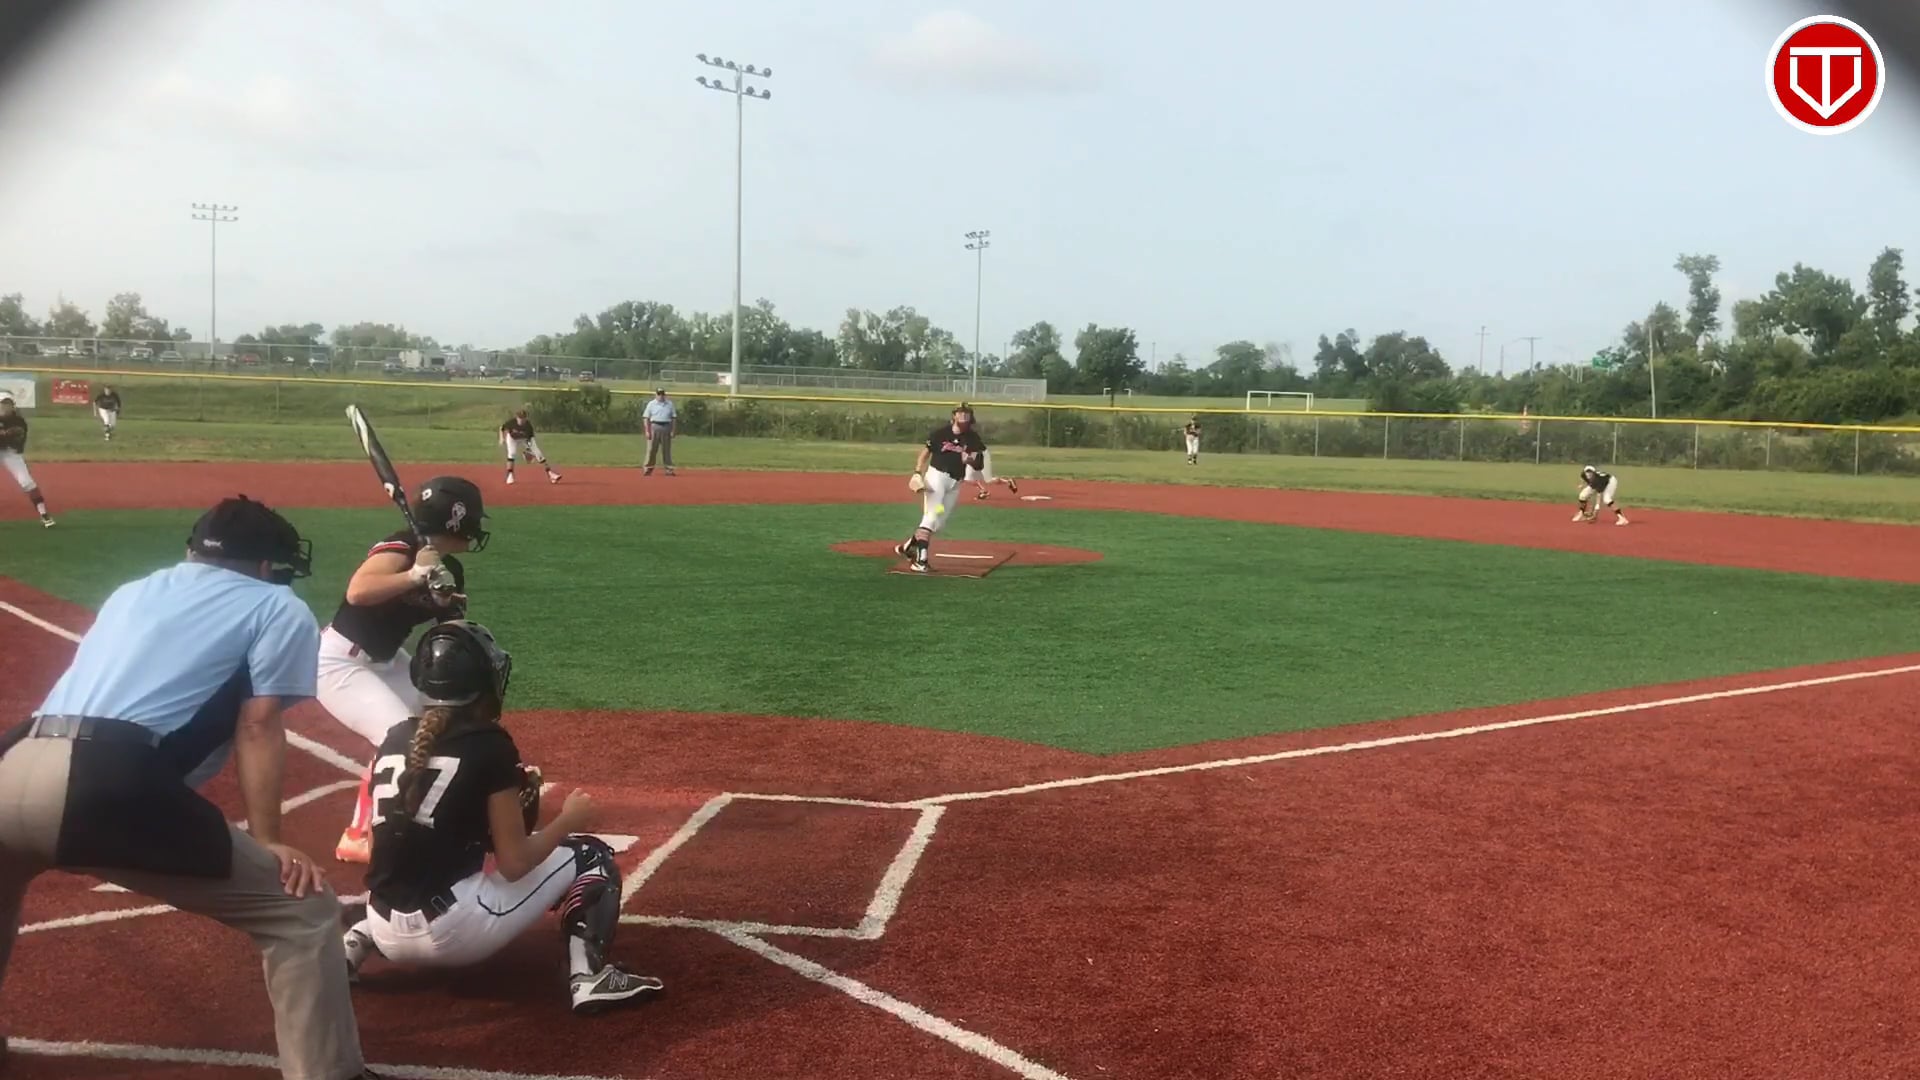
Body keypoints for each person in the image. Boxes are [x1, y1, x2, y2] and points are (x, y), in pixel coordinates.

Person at [0, 495, 381, 1079]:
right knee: (301, 912)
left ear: (192, 551)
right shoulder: (277, 604)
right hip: (105, 781)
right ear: (266, 565)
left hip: (14, 757)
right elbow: (258, 724)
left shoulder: (135, 590)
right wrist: (269, 840)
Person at [340, 619, 664, 1015]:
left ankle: (350, 948)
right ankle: (588, 977)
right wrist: (567, 819)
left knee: (402, 880)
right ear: (481, 682)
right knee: (590, 855)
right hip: (454, 933)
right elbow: (514, 864)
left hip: (385, 928)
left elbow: (379, 847)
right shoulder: (489, 745)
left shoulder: (393, 737)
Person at [318, 476, 489, 865]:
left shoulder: (448, 567)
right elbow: (358, 592)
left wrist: (445, 598)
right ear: (455, 520)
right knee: (399, 737)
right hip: (341, 662)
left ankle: (431, 807)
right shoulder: (402, 545)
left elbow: (450, 629)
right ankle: (358, 835)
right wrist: (414, 575)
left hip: (386, 660)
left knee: (443, 723)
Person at [894, 405, 987, 574]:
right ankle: (921, 561)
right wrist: (917, 472)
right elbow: (925, 453)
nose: (963, 416)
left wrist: (970, 459)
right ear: (954, 416)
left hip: (954, 484)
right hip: (936, 479)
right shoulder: (941, 434)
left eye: (967, 414)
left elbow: (978, 463)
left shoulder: (972, 438)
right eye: (960, 413)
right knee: (930, 517)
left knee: (938, 522)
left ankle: (908, 547)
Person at [0, 393, 53, 528]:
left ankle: (43, 513)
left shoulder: (18, 422)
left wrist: (4, 435)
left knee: (27, 482)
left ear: (13, 406)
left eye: (8, 404)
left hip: (11, 453)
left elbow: (14, 440)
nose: (5, 406)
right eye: (2, 403)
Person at [498, 409, 560, 485]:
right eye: (520, 418)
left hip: (524, 439)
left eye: (523, 418)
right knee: (512, 454)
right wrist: (501, 438)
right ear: (517, 418)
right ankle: (510, 475)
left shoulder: (528, 426)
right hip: (512, 439)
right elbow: (502, 428)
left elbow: (529, 440)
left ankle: (551, 474)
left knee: (538, 454)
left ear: (526, 418)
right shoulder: (512, 422)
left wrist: (528, 451)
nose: (521, 420)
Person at [642, 387, 676, 476]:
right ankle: (648, 468)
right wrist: (647, 431)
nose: (661, 396)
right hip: (654, 426)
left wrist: (673, 430)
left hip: (666, 426)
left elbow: (673, 418)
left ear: (664, 395)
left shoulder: (669, 404)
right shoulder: (651, 404)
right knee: (651, 449)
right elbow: (646, 418)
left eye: (662, 394)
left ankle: (669, 469)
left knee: (666, 450)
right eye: (659, 394)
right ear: (656, 395)